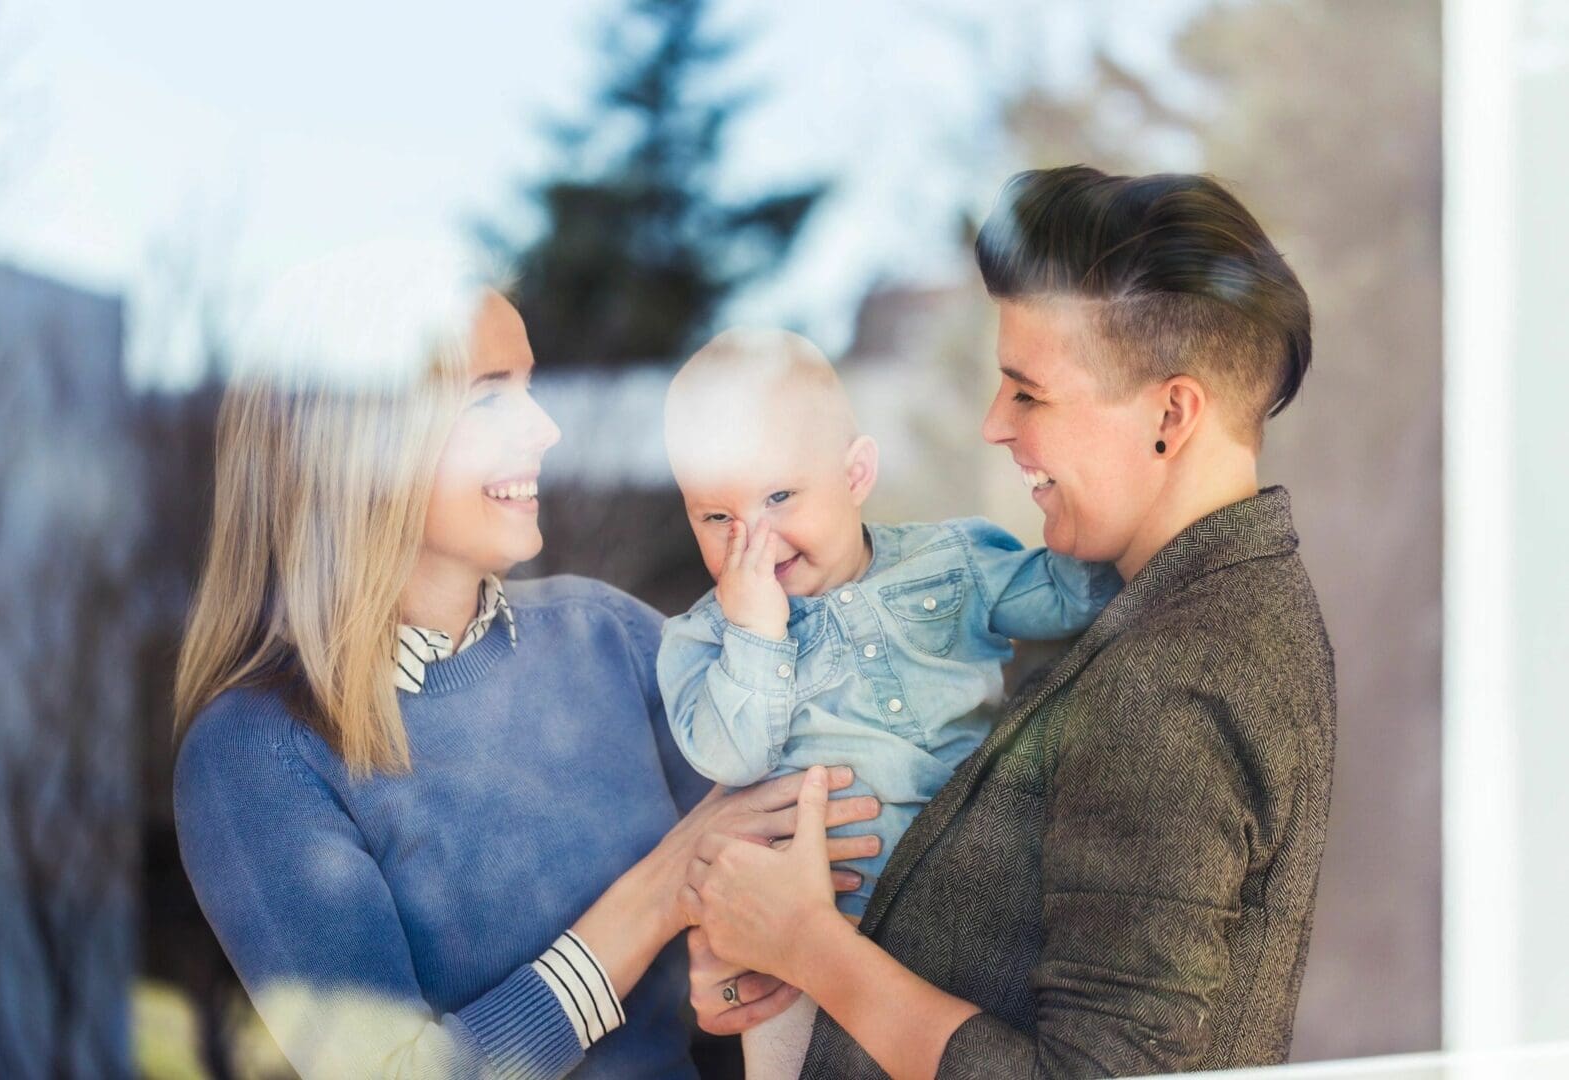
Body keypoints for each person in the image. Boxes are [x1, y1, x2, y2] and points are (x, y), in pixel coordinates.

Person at [680, 165, 1337, 1079]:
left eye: (1028, 392)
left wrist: (807, 948)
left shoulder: (1177, 676)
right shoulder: (1201, 611)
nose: (995, 424)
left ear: (1171, 414)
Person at [170, 280, 881, 1079]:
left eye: (531, 388)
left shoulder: (609, 639)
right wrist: (653, 899)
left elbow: (825, 855)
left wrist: (748, 968)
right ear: (358, 444)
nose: (544, 429)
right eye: (487, 400)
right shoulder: (258, 757)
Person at [657, 329, 1120, 1077]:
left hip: (973, 909)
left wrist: (1095, 488)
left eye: (779, 496)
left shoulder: (954, 560)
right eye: (717, 517)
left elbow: (1072, 599)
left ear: (856, 473)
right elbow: (730, 754)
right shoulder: (705, 640)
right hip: (801, 950)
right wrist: (757, 635)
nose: (754, 540)